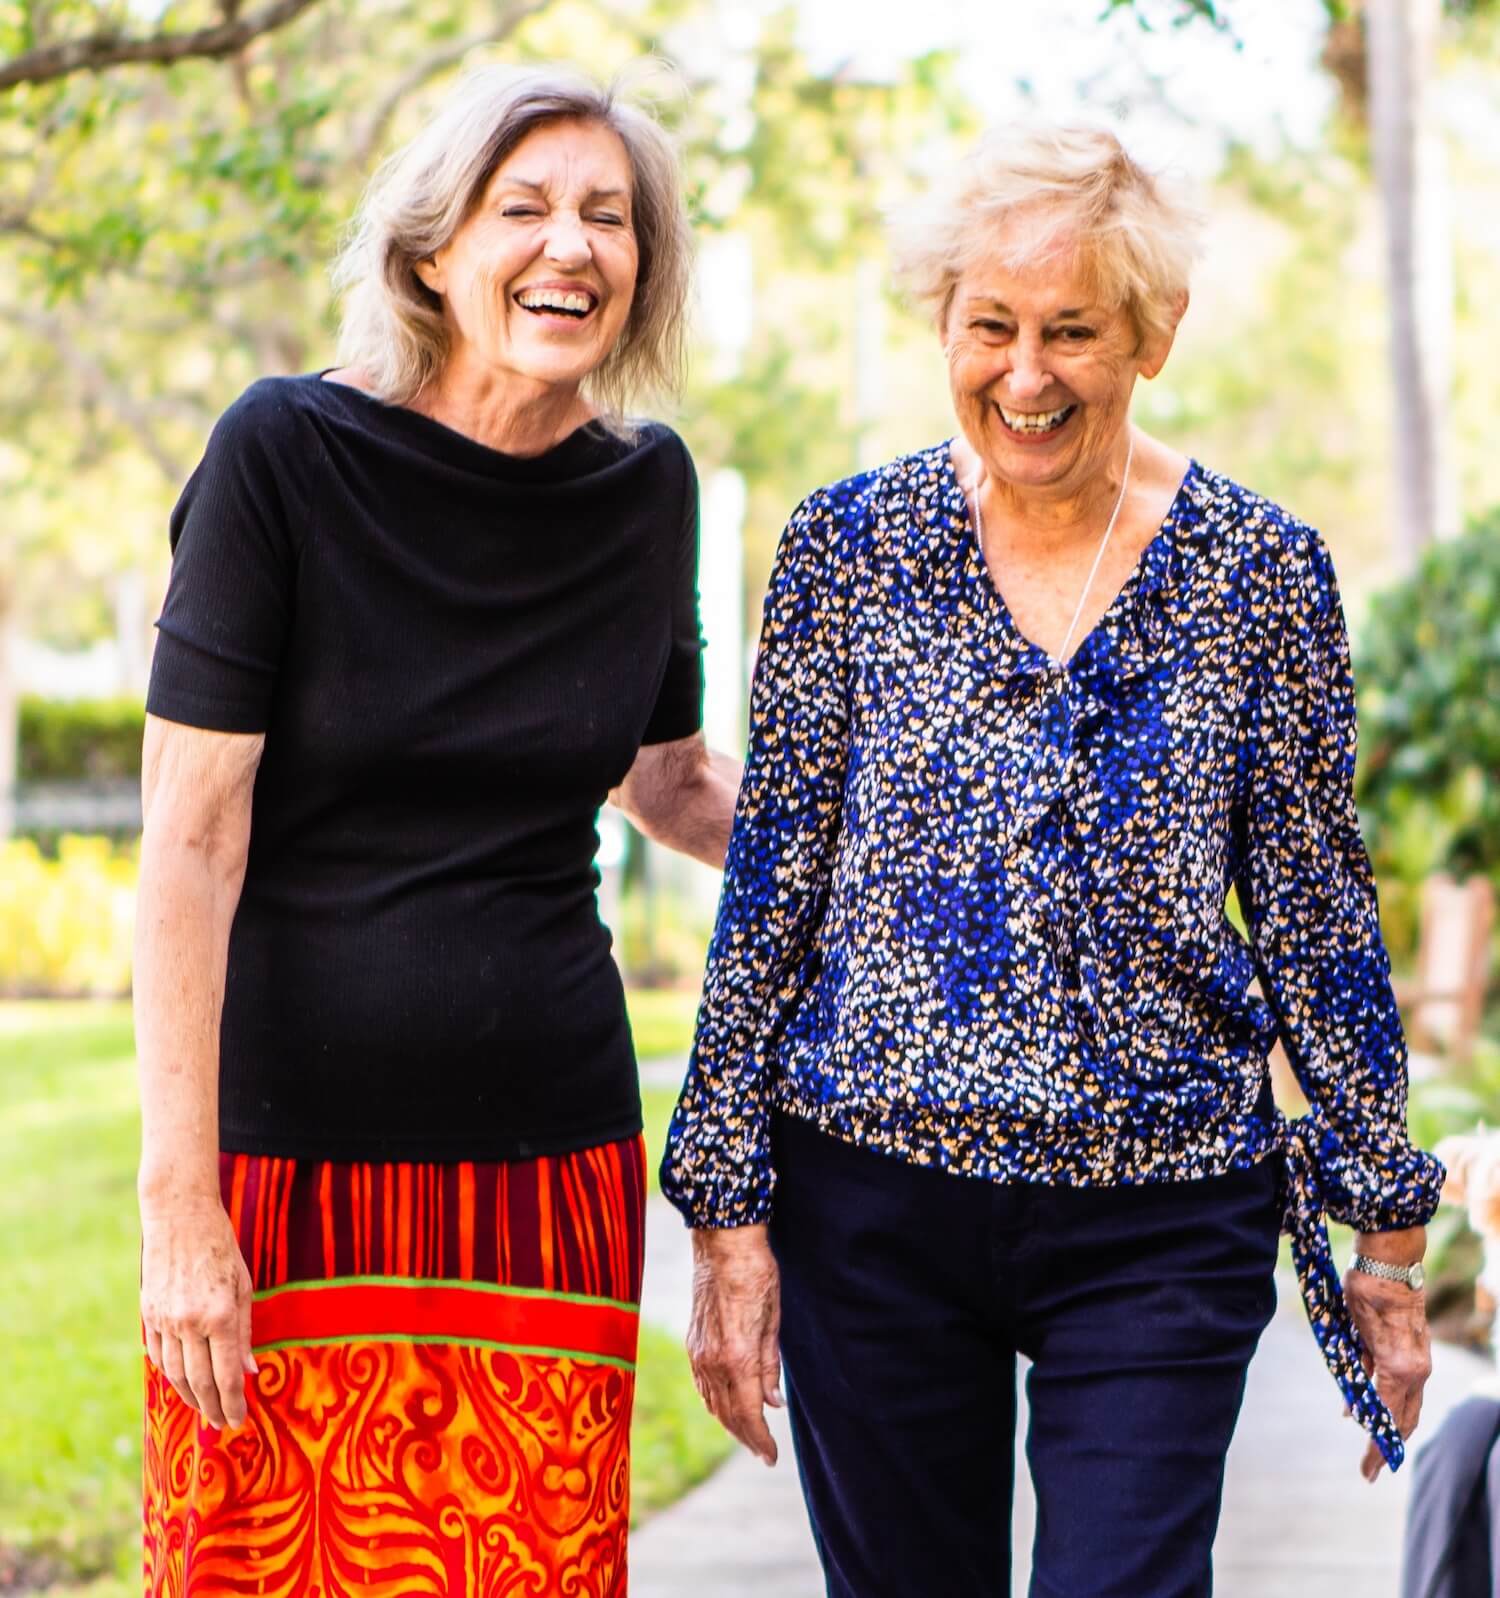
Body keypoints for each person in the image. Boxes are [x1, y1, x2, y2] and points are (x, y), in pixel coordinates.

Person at [662, 123, 1442, 1597]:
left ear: (1154, 332)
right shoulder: (846, 551)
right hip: (875, 1197)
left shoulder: (1259, 575)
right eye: (991, 327)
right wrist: (727, 1211)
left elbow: (1317, 912)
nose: (1025, 376)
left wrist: (1386, 1241)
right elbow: (772, 894)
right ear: (943, 325)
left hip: (1155, 1213)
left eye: (1073, 330)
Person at [136, 65, 735, 1597]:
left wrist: (912, 836)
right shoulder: (283, 456)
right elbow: (192, 843)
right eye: (524, 208)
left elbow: (666, 781)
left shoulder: (643, 493)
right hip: (282, 1172)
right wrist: (178, 1200)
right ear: (429, 253)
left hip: (547, 1172)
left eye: (610, 217)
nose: (572, 247)